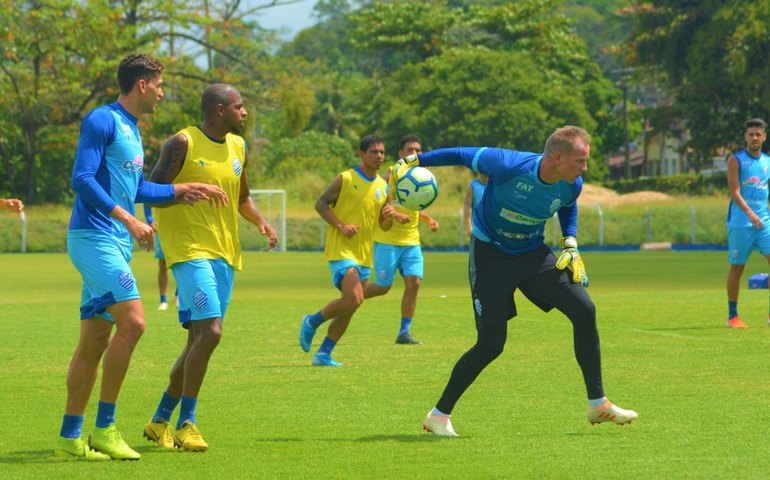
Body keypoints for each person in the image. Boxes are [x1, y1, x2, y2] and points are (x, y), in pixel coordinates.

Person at [394, 126, 638, 437]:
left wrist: (570, 242)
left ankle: (597, 402)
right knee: (491, 345)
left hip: (533, 254)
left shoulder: (572, 183)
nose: (585, 168)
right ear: (558, 157)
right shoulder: (507, 164)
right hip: (490, 257)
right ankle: (438, 416)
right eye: (580, 161)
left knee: (584, 309)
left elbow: (567, 205)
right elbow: (460, 154)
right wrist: (416, 161)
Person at [56, 53, 228, 461]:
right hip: (94, 237)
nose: (162, 93)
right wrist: (129, 219)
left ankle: (69, 437)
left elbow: (135, 190)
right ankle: (105, 429)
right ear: (142, 85)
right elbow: (82, 179)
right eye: (160, 85)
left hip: (113, 241)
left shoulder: (132, 130)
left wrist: (182, 190)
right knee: (133, 323)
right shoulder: (102, 120)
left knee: (94, 341)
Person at [143, 83, 278, 452]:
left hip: (225, 254)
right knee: (213, 332)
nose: (245, 113)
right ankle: (187, 423)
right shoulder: (182, 143)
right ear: (220, 110)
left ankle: (159, 420)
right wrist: (182, 192)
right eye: (239, 106)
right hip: (188, 251)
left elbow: (243, 197)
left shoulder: (238, 147)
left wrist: (261, 222)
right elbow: (149, 191)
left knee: (198, 340)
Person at [299, 134, 399, 366]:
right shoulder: (346, 178)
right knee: (354, 298)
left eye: (382, 152)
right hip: (342, 250)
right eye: (374, 152)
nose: (379, 156)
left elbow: (383, 225)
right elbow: (320, 204)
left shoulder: (383, 186)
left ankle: (323, 354)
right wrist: (341, 226)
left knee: (351, 305)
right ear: (362, 154)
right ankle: (311, 321)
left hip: (364, 254)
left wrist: (390, 217)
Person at [364, 134, 439, 345]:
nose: (414, 153)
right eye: (409, 150)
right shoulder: (391, 174)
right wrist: (394, 214)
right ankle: (350, 297)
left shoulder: (422, 175)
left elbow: (413, 205)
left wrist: (428, 219)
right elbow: (377, 202)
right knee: (382, 287)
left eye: (418, 150)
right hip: (387, 240)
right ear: (401, 153)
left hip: (411, 241)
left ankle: (404, 332)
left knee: (414, 282)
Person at [725, 118, 770, 328]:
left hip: (764, 223)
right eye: (751, 134)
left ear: (764, 137)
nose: (754, 138)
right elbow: (735, 191)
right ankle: (732, 316)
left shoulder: (767, 162)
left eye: (757, 134)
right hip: (741, 224)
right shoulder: (736, 160)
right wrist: (750, 213)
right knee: (737, 269)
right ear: (745, 137)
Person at [143, 204, 177, 310]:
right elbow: (147, 200)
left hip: (181, 229)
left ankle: (178, 295)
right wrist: (150, 219)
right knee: (163, 264)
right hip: (161, 228)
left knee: (184, 263)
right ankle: (163, 300)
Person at [463, 173, 488, 238]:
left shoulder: (495, 185)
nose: (484, 173)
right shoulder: (473, 186)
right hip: (476, 228)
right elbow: (467, 206)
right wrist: (468, 225)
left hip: (491, 228)